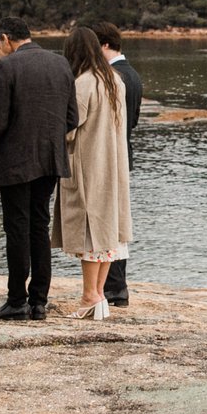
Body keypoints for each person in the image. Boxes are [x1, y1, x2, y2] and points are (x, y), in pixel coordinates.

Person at [0, 18, 77, 322]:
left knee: (17, 229)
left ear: (6, 38)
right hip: (50, 159)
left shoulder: (5, 67)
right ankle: (39, 302)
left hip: (16, 161)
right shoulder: (61, 64)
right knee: (39, 226)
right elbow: (71, 118)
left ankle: (17, 301)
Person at [53, 25, 133, 321]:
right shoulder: (115, 80)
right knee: (106, 233)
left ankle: (89, 295)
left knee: (89, 232)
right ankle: (98, 294)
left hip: (90, 165)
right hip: (113, 165)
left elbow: (71, 126)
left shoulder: (84, 83)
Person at [93, 23, 143, 308]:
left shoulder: (112, 77)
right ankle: (116, 287)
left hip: (110, 158)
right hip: (124, 154)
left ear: (104, 46)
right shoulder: (132, 74)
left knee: (108, 224)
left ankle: (113, 288)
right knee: (116, 223)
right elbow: (132, 120)